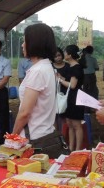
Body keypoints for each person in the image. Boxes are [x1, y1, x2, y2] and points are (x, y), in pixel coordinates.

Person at [12, 24, 69, 159]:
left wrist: (12, 138)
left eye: (25, 41)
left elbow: (24, 113)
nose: (22, 45)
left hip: (35, 138)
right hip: (45, 132)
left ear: (34, 43)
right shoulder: (47, 67)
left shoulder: (37, 71)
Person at [57, 44, 85, 151]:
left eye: (65, 52)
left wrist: (60, 80)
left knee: (77, 125)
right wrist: (61, 77)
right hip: (70, 97)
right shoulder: (71, 67)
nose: (64, 54)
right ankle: (71, 148)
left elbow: (72, 85)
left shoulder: (76, 67)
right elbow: (69, 81)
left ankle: (77, 149)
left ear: (69, 54)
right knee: (69, 124)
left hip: (76, 97)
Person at [52, 47, 70, 132]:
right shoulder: (50, 67)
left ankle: (63, 137)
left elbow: (71, 82)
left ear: (62, 55)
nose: (58, 58)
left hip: (64, 94)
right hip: (52, 94)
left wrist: (61, 78)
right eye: (55, 56)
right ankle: (56, 138)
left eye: (59, 55)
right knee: (53, 117)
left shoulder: (68, 66)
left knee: (63, 116)